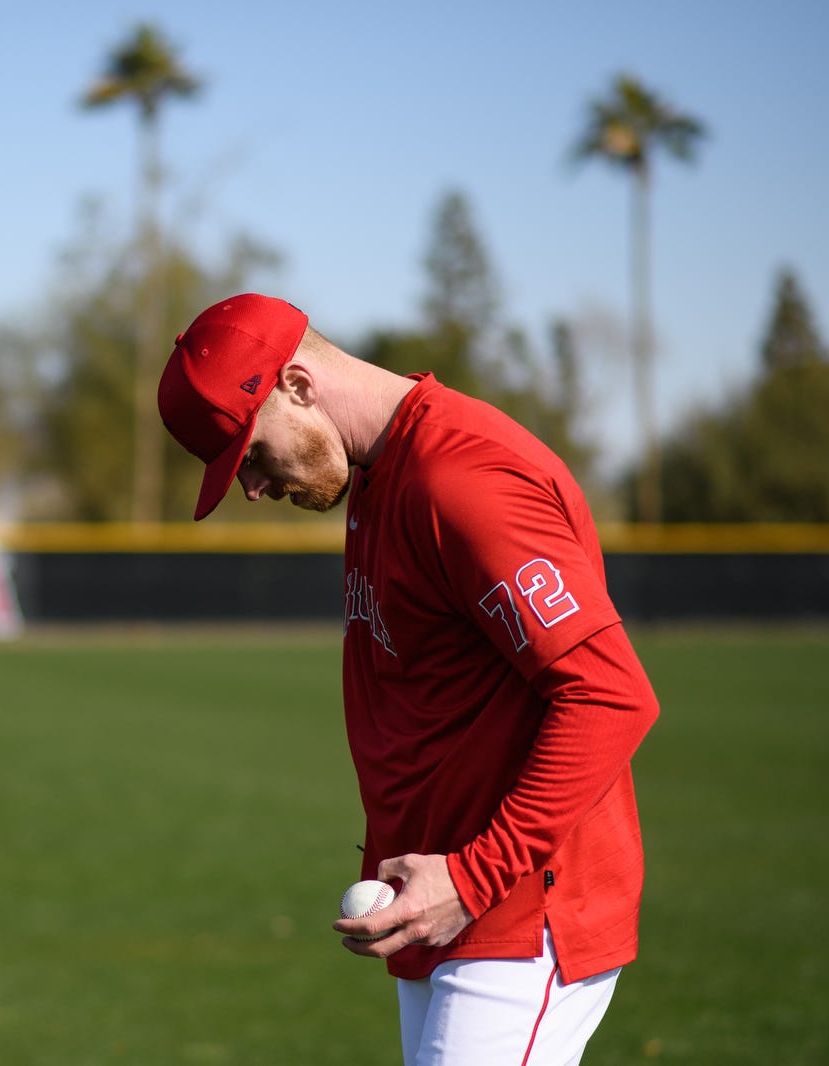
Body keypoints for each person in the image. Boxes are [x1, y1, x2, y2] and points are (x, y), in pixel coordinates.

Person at [157, 294, 660, 1065]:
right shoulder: (381, 474)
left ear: (296, 384)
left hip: (517, 915)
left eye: (250, 454)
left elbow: (609, 693)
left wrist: (472, 877)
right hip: (446, 911)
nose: (252, 487)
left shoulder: (460, 480)